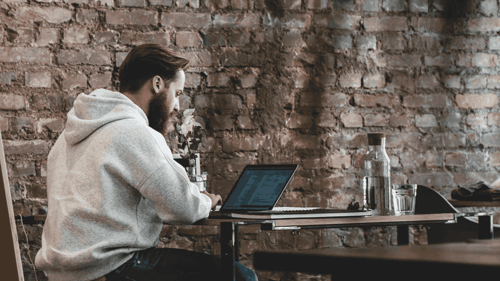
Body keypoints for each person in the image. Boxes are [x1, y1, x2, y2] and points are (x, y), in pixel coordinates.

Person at [35, 44, 258, 281]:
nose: (177, 107)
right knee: (241, 277)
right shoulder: (134, 131)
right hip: (110, 266)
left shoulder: (69, 135)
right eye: (178, 94)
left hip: (61, 272)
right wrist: (205, 199)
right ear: (158, 84)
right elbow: (182, 206)